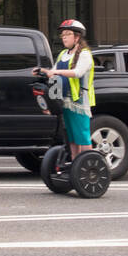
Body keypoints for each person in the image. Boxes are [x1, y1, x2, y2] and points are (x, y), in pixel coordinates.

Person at [33, 19, 95, 158]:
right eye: (63, 35)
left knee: (82, 135)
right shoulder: (63, 54)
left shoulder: (84, 54)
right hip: (65, 100)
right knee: (71, 136)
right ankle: (76, 165)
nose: (64, 37)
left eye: (68, 34)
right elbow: (53, 72)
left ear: (77, 37)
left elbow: (77, 73)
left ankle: (89, 165)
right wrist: (42, 70)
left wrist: (56, 72)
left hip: (79, 101)